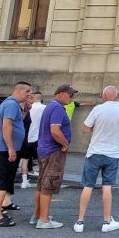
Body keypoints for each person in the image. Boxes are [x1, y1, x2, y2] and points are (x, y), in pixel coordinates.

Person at [74, 86, 119, 233]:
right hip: (112, 153)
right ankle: (106, 221)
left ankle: (80, 221)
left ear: (104, 95)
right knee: (107, 186)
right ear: (116, 95)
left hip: (95, 152)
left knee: (88, 185)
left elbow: (85, 128)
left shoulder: (98, 109)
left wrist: (96, 129)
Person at [0, 81, 32, 227]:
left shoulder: (11, 104)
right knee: (2, 183)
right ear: (18, 91)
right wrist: (11, 148)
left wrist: (25, 110)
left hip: (2, 148)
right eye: (27, 91)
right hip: (4, 149)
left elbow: (15, 123)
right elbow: (7, 126)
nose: (30, 94)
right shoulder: (11, 104)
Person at [30, 85, 76, 229]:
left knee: (41, 184)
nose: (72, 98)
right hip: (53, 151)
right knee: (48, 185)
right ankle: (43, 220)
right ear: (61, 94)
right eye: (70, 95)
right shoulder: (57, 108)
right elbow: (55, 131)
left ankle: (37, 215)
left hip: (44, 149)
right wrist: (64, 144)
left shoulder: (50, 106)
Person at [20, 91, 45, 189]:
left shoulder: (29, 108)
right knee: (41, 160)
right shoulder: (44, 108)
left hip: (27, 138)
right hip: (39, 137)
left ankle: (24, 181)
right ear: (41, 98)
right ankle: (42, 180)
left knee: (25, 160)